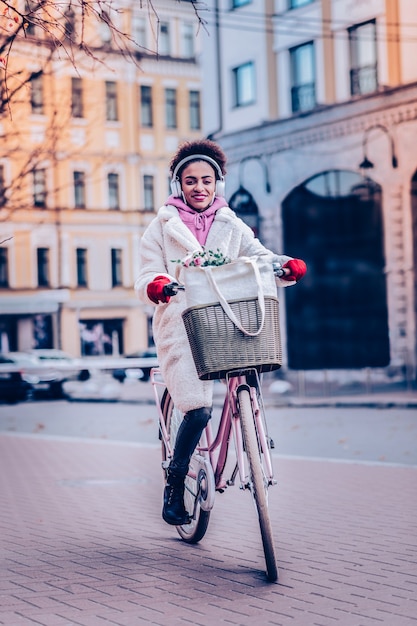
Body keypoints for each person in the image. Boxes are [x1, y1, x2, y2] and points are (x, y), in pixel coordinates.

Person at [135, 139, 306, 526]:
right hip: (181, 323)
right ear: (179, 184)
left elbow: (258, 255)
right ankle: (175, 483)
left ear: (218, 184)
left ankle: (248, 427)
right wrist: (158, 285)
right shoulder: (161, 227)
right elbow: (147, 272)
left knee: (249, 368)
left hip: (229, 320)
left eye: (207, 180)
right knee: (196, 411)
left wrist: (284, 266)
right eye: (191, 180)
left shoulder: (231, 222)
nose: (200, 187)